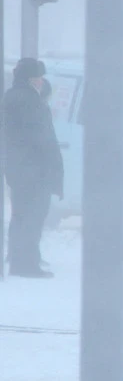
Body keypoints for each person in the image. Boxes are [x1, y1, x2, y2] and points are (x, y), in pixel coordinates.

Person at [3, 59, 63, 278]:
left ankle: (23, 257)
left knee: (23, 215)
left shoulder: (18, 97)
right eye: (38, 78)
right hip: (32, 171)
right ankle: (25, 263)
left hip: (23, 170)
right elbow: (37, 138)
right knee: (32, 216)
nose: (41, 82)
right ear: (30, 79)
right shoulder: (27, 100)